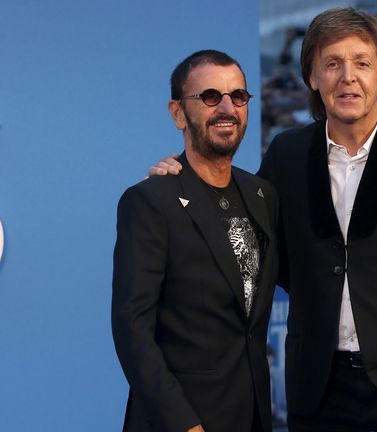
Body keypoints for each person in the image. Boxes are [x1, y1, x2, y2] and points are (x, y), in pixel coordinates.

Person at [151, 8, 377, 432]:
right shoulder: (287, 154)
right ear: (313, 78)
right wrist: (184, 180)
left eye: (362, 63)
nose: (347, 76)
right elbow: (241, 233)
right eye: (332, 64)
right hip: (317, 390)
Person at [112, 50, 279, 432]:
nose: (227, 108)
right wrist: (183, 422)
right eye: (209, 97)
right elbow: (132, 327)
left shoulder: (263, 196)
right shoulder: (151, 201)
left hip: (251, 414)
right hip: (182, 420)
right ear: (177, 113)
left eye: (238, 96)